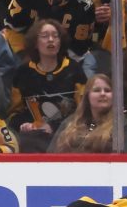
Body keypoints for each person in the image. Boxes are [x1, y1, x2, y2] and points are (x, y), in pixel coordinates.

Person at [7, 19, 85, 153]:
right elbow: (14, 112)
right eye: (45, 36)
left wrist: (53, 127)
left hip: (66, 134)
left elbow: (84, 110)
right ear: (35, 43)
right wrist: (24, 124)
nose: (51, 40)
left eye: (55, 36)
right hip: (32, 138)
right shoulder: (23, 72)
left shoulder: (74, 70)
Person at [49, 73, 127, 152]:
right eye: (97, 90)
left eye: (107, 90)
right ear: (87, 96)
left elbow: (125, 163)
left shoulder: (123, 126)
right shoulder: (69, 123)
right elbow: (50, 155)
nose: (103, 93)